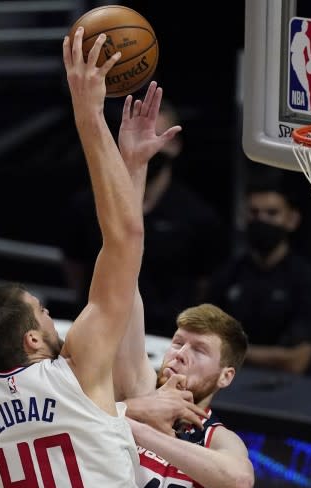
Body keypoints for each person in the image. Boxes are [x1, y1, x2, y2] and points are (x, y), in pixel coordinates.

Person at [0, 28, 182, 488]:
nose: (55, 316)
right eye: (44, 312)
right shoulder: (77, 370)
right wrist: (89, 113)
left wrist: (127, 412)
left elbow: (78, 418)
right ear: (34, 339)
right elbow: (125, 240)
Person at [58, 98, 224, 337]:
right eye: (139, 136)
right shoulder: (88, 203)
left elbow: (205, 282)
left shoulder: (198, 215)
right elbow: (74, 264)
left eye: (155, 136)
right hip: (101, 330)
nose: (147, 144)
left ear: (175, 144)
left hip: (165, 335)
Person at [112, 288, 254, 488]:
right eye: (178, 343)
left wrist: (136, 428)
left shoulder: (217, 439)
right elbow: (126, 291)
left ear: (225, 377)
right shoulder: (135, 387)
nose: (181, 354)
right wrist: (136, 409)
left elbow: (240, 483)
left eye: (199, 350)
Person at [206, 181, 311, 376]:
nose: (261, 220)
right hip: (229, 382)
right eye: (254, 212)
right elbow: (203, 343)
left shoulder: (307, 281)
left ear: (292, 220)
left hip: (290, 389)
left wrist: (228, 351)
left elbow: (296, 361)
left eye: (272, 213)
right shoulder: (228, 274)